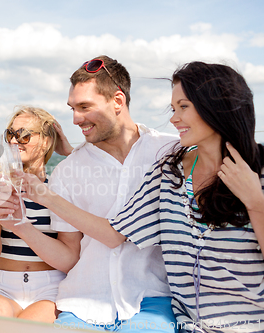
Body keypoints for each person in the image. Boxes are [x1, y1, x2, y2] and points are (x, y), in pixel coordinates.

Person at [19, 62, 264, 332]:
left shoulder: (170, 153)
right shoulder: (170, 170)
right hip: (184, 323)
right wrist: (55, 178)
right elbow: (114, 233)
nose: (174, 118)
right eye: (174, 108)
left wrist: (255, 203)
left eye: (183, 107)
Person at [0, 56, 179, 331]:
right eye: (72, 108)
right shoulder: (68, 170)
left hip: (151, 300)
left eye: (84, 107)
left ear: (118, 101)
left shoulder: (168, 152)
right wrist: (19, 225)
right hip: (82, 303)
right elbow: (70, 257)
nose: (75, 119)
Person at [0, 106, 67, 323]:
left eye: (23, 135)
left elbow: (69, 256)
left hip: (50, 285)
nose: (14, 141)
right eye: (10, 134)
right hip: (4, 284)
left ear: (45, 142)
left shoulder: (59, 188)